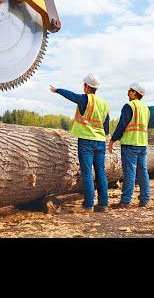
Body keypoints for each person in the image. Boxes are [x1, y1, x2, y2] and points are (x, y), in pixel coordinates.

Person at [50, 74, 110, 212]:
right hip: (100, 142)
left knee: (87, 172)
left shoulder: (85, 99)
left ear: (87, 86)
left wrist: (57, 90)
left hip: (86, 141)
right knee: (101, 171)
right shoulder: (104, 104)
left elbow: (71, 96)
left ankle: (88, 205)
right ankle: (103, 204)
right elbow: (106, 128)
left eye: (84, 85)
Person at [108, 82, 151, 208]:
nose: (128, 92)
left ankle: (126, 201)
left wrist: (112, 140)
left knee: (129, 173)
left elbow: (122, 125)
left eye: (130, 90)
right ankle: (145, 199)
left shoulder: (129, 106)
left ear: (135, 93)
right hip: (142, 144)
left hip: (130, 144)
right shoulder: (146, 108)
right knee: (143, 172)